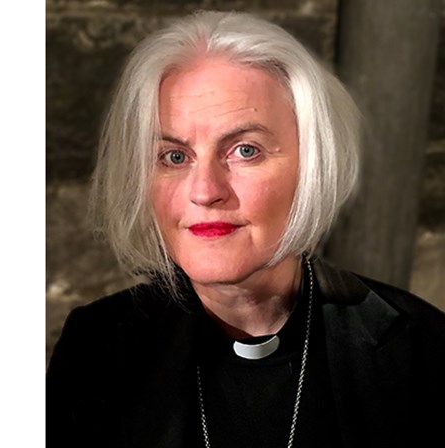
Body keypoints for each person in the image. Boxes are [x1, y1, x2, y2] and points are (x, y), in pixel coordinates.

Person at [46, 10, 445, 448]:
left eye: (245, 150)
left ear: (312, 165)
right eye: (175, 157)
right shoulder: (96, 347)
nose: (205, 191)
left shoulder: (421, 350)